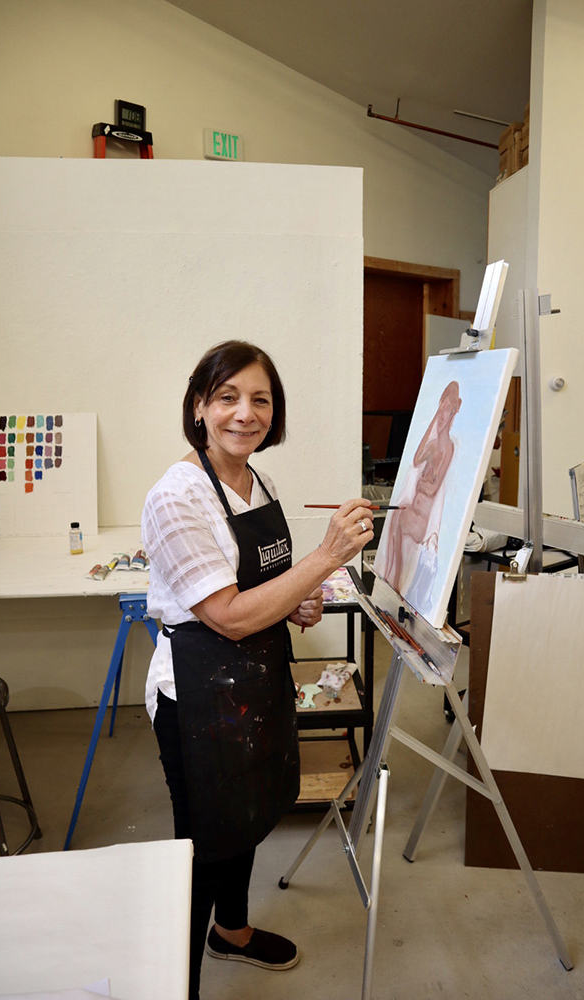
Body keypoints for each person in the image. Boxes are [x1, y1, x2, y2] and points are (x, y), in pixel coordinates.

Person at [141, 340, 373, 1000]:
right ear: (198, 407)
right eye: (228, 397)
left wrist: (299, 599)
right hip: (197, 693)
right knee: (200, 846)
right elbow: (227, 615)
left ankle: (232, 933)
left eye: (260, 400)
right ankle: (179, 985)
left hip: (255, 679)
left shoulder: (258, 483)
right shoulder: (175, 497)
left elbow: (261, 588)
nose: (246, 413)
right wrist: (327, 558)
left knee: (244, 815)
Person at [378, 380, 461, 608]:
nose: (442, 415)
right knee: (397, 516)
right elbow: (416, 460)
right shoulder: (433, 445)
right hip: (413, 510)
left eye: (447, 409)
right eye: (441, 407)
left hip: (422, 519)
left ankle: (396, 584)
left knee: (399, 517)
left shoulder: (448, 447)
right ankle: (394, 583)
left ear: (453, 412)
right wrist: (434, 419)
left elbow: (433, 488)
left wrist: (425, 484)